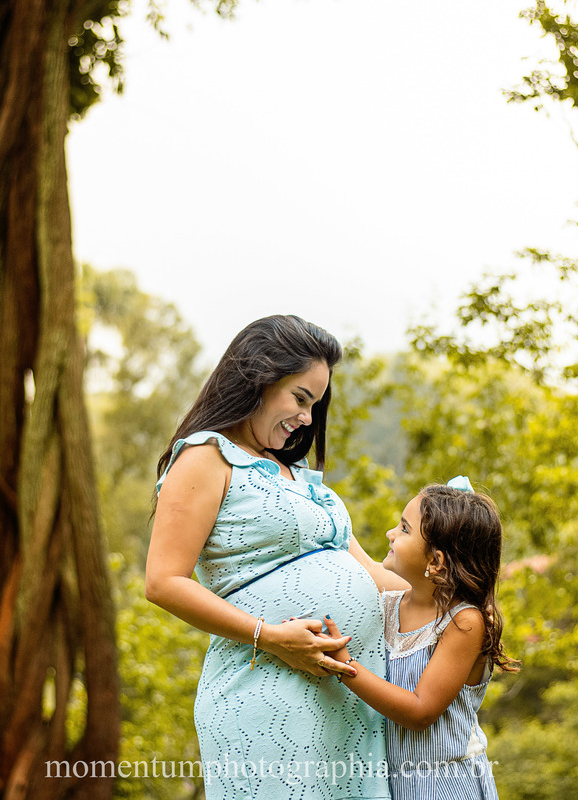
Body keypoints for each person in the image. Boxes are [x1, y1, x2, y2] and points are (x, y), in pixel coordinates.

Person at [146, 315, 399, 800]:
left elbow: (371, 574)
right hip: (265, 689)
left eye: (314, 404)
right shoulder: (207, 456)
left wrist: (463, 602)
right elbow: (162, 581)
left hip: (346, 703)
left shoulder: (297, 477)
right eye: (300, 398)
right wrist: (273, 636)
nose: (307, 418)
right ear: (258, 378)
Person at [323, 478, 519, 800]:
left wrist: (345, 665)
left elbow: (419, 711)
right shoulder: (395, 599)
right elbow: (366, 565)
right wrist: (323, 505)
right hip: (396, 785)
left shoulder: (464, 623)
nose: (390, 533)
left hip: (447, 784)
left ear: (435, 562)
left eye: (403, 529)